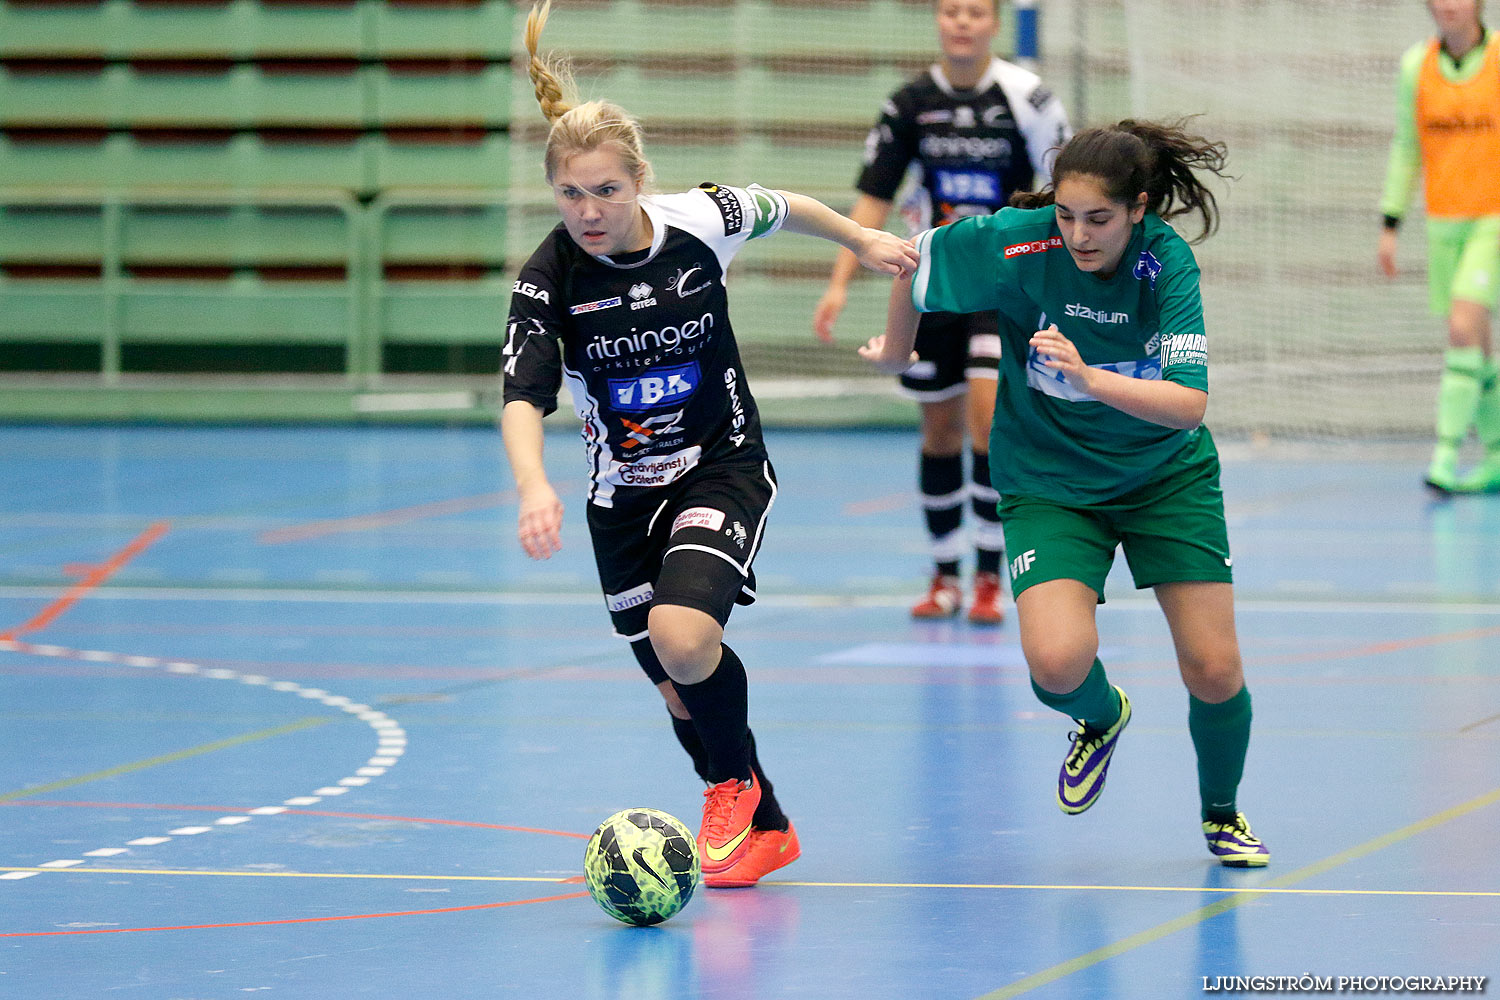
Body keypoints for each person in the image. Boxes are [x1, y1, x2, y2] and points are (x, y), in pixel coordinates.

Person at [501, 1, 918, 887]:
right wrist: (534, 484)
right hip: (621, 498)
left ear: (639, 181)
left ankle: (729, 787)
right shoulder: (548, 281)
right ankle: (766, 823)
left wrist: (859, 237)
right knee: (676, 687)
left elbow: (783, 204)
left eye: (606, 191)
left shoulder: (697, 220)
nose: (588, 211)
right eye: (570, 194)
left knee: (685, 637)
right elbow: (521, 396)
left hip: (722, 464)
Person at [862, 119, 1270, 867]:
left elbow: (1188, 403)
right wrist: (896, 350)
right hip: (1049, 480)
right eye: (1068, 215)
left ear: (1139, 208)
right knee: (1056, 663)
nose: (1080, 235)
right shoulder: (1021, 243)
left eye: (1100, 219)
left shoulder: (1166, 265)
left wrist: (1088, 379)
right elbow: (911, 261)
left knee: (1213, 669)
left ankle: (1222, 812)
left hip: (1164, 475)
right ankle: (1100, 715)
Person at [813, 0, 1071, 623]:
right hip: (932, 282)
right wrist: (840, 281)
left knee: (986, 426)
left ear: (994, 23)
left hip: (1004, 285)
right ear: (937, 19)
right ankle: (943, 575)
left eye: (976, 12)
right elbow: (873, 198)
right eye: (952, 10)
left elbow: (1067, 193)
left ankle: (988, 577)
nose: (962, 22)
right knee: (939, 433)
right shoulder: (908, 104)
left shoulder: (1029, 100)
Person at [1379, 0, 1500, 493]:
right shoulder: (1416, 66)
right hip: (1442, 225)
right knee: (1479, 345)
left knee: (1461, 329)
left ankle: (1445, 454)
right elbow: (1407, 147)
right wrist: (1391, 223)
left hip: (1492, 221)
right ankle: (1495, 456)